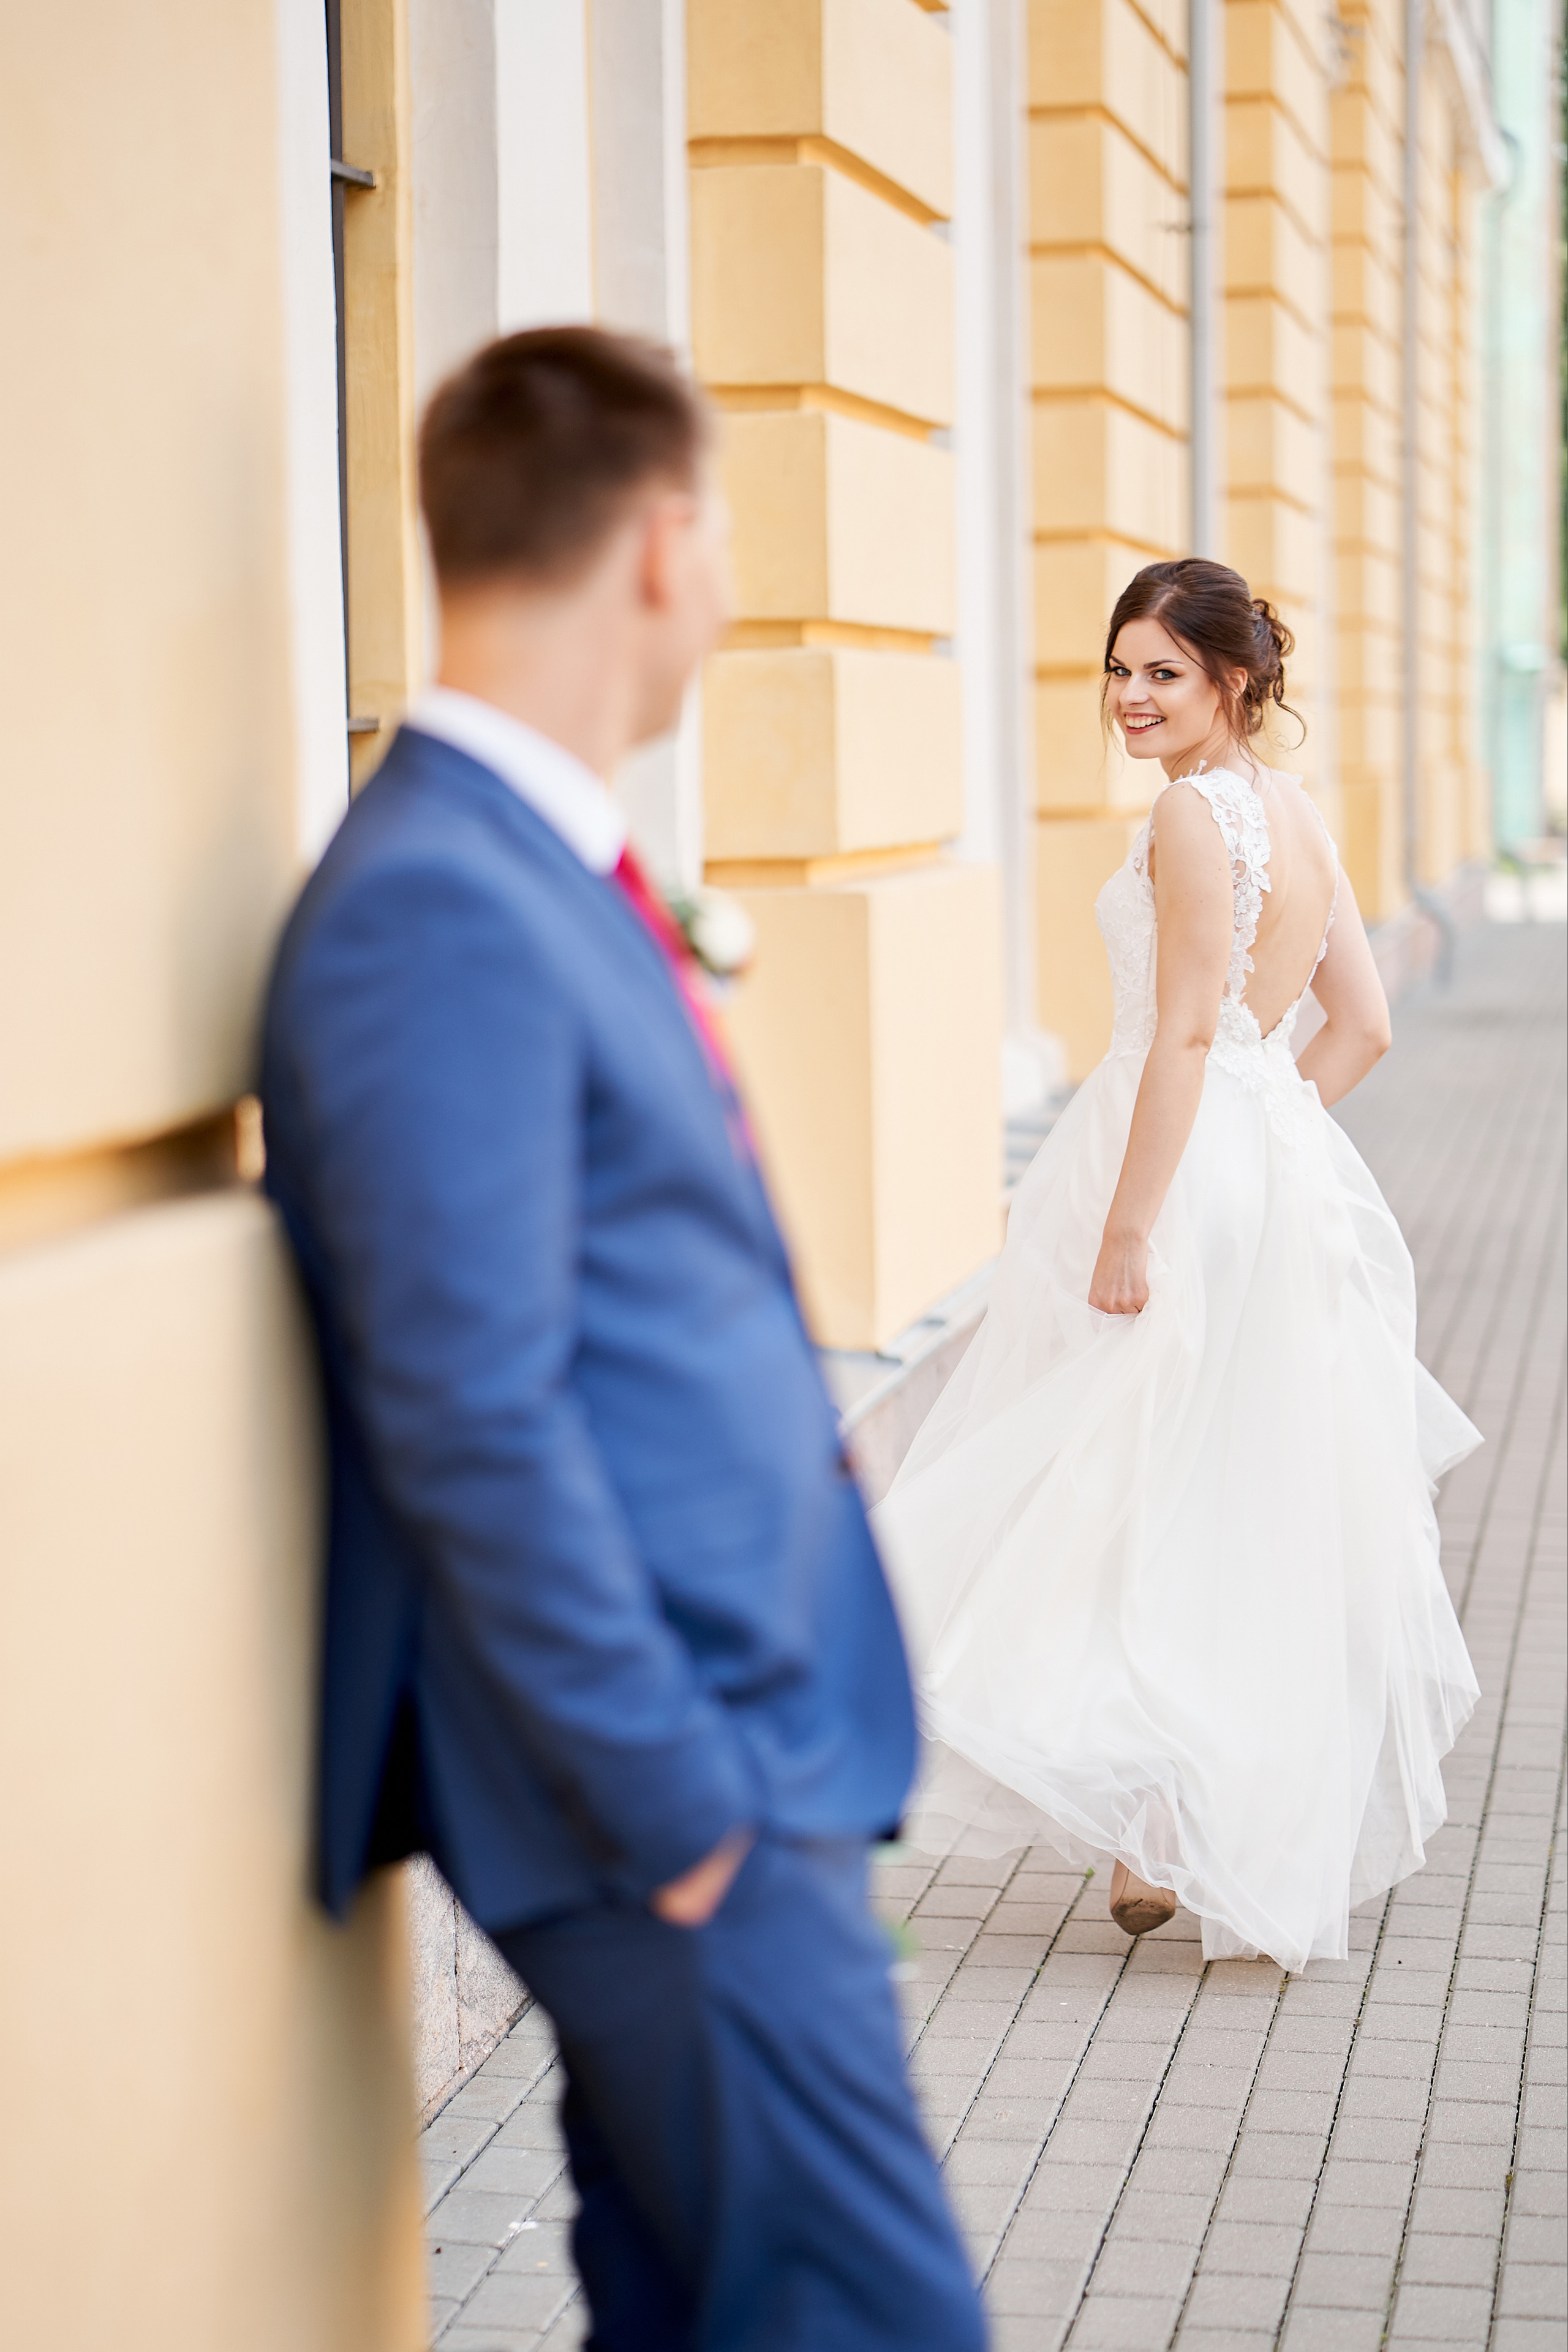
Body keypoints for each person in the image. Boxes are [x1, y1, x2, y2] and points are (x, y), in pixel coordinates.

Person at [260, 327, 984, 2352]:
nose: (735, 583)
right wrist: (677, 1814)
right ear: (665, 543)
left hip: (715, 1767)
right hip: (669, 1798)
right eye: (731, 533)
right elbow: (467, 1411)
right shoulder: (442, 905)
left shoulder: (523, 870)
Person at [873, 558, 1481, 1973]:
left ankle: (1148, 1813)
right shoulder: (1298, 819)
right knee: (1218, 1483)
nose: (1128, 697)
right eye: (1119, 667)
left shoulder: (1191, 818)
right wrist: (1266, 1139)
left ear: (1234, 685)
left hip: (1166, 1164)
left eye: (1162, 672)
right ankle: (1168, 1817)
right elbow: (1358, 1026)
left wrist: (1135, 1221)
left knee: (1119, 1478)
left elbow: (1186, 1034)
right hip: (1261, 1171)